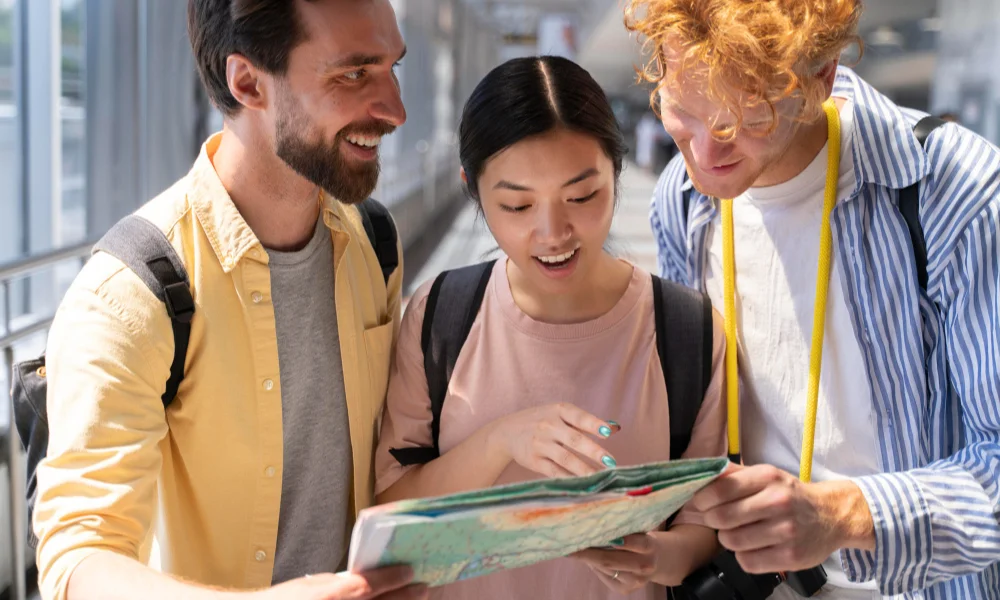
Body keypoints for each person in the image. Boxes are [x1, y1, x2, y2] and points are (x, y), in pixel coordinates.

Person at [31, 1, 425, 599]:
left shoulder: (374, 242)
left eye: (392, 68)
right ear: (247, 83)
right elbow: (78, 557)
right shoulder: (130, 293)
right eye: (353, 74)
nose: (395, 109)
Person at [626, 0, 1000, 598]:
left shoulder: (953, 189)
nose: (705, 155)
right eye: (682, 112)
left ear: (820, 79)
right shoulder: (682, 199)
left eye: (747, 121)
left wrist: (841, 515)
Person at [373, 55, 729, 600]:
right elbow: (391, 512)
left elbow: (706, 520)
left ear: (617, 172)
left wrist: (660, 557)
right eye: (517, 206)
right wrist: (502, 440)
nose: (553, 233)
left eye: (582, 197)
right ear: (473, 190)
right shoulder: (440, 315)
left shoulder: (686, 330)